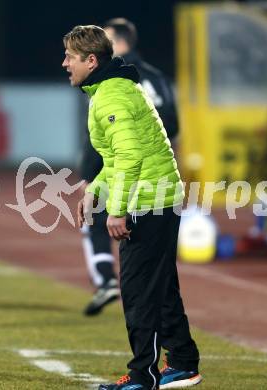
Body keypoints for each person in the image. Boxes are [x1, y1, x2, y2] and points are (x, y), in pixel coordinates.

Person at [62, 25, 201, 390]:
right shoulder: (113, 89)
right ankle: (184, 362)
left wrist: (117, 209)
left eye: (70, 57)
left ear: (91, 61)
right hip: (159, 195)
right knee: (162, 286)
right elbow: (116, 158)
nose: (65, 64)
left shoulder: (111, 96)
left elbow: (130, 156)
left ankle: (143, 376)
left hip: (149, 201)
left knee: (139, 293)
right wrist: (96, 188)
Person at [79, 17, 180, 316]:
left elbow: (107, 141)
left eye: (105, 41)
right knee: (159, 271)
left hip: (123, 171)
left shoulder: (111, 82)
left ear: (121, 43)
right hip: (157, 173)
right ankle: (178, 355)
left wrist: (91, 177)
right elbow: (173, 124)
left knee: (137, 275)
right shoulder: (154, 77)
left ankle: (107, 280)